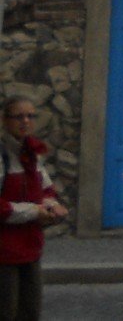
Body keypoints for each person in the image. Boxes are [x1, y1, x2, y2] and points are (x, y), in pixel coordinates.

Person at [0, 97, 63, 321]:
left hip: (30, 247)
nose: (25, 121)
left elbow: (46, 188)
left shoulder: (33, 154)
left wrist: (52, 206)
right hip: (4, 252)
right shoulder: (3, 157)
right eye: (19, 116)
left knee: (29, 311)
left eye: (30, 116)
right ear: (4, 120)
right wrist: (35, 212)